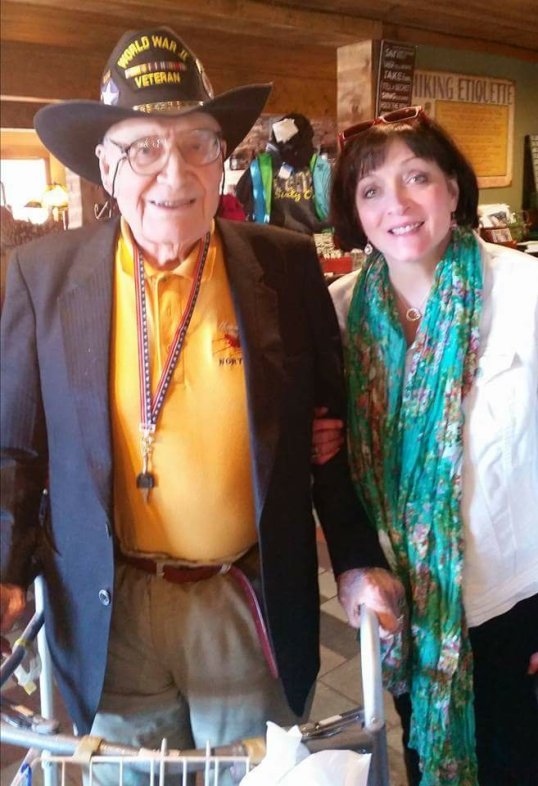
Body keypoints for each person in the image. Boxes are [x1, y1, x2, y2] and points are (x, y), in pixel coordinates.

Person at [0, 25, 395, 766]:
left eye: (198, 143)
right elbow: (14, 448)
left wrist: (354, 559)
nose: (174, 172)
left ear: (223, 161)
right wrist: (4, 572)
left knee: (253, 772)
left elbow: (327, 436)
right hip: (107, 603)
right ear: (106, 167)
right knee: (129, 775)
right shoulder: (43, 275)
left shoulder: (286, 265)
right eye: (144, 149)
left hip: (242, 594)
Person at [312, 106, 538, 785]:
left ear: (453, 188)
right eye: (372, 189)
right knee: (423, 758)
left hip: (517, 602)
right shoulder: (338, 314)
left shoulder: (524, 292)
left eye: (417, 177)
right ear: (355, 211)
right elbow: (324, 454)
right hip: (409, 609)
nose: (398, 205)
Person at [236, 113, 332, 234]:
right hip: (276, 237)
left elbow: (334, 208)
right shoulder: (261, 166)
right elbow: (240, 198)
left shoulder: (320, 167)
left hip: (318, 237)